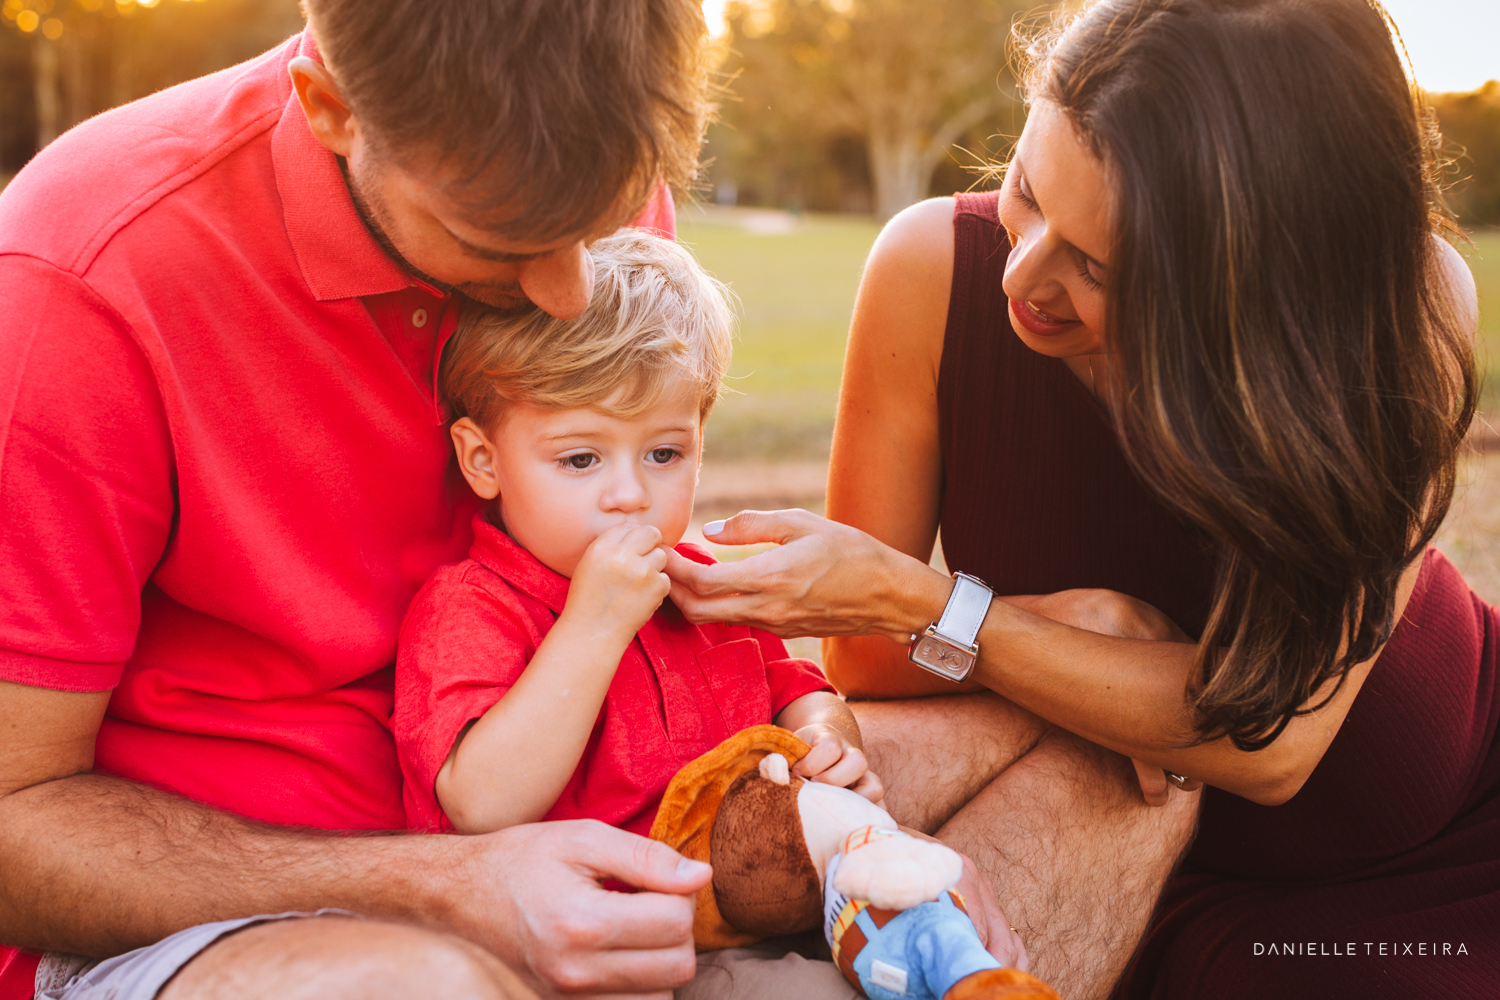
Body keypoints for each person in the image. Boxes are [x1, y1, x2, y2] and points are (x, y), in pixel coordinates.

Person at [664, 0, 1499, 997]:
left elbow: (1268, 737)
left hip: (1402, 881)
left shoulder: (1397, 309)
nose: (1024, 273)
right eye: (1025, 187)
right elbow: (867, 660)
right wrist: (1083, 623)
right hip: (1084, 838)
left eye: (1098, 266)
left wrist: (932, 602)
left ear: (1247, 283)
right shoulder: (929, 270)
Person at [0, 1, 720, 997]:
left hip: (566, 842)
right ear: (329, 107)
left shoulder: (568, 156)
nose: (569, 290)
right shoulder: (81, 277)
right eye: (498, 237)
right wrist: (439, 886)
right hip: (209, 915)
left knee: (999, 767)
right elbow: (13, 816)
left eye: (601, 222)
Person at [393, 231, 877, 840]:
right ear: (483, 461)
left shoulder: (704, 589)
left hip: (750, 882)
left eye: (665, 452)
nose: (630, 494)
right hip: (581, 917)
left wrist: (827, 739)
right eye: (579, 460)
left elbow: (803, 692)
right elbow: (481, 804)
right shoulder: (471, 610)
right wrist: (595, 625)